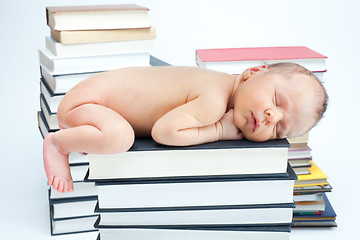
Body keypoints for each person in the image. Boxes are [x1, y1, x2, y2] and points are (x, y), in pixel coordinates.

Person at [43, 62, 328, 193]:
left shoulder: (220, 85)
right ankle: (58, 144)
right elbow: (165, 132)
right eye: (276, 100)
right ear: (253, 72)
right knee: (120, 137)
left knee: (117, 132)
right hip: (87, 103)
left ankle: (86, 137)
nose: (270, 117)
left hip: (97, 104)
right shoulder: (214, 100)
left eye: (279, 129)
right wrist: (218, 131)